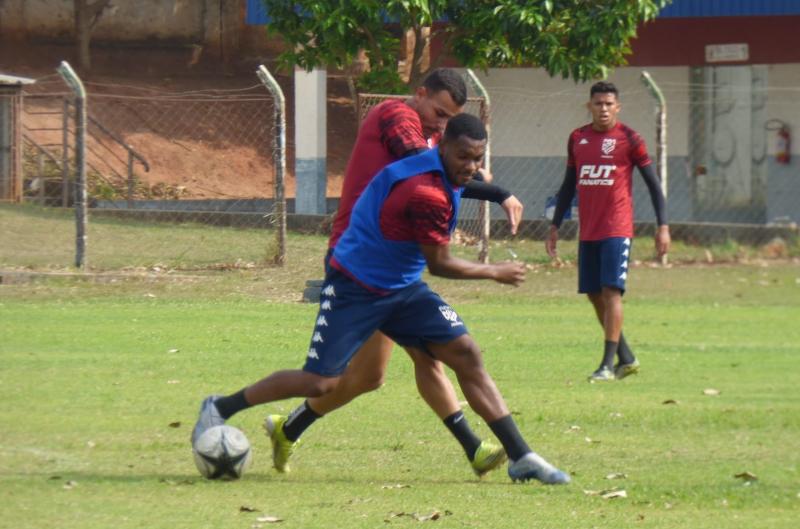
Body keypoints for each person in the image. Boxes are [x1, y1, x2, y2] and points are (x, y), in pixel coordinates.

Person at [193, 113, 570, 485]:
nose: (471, 167)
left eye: (477, 158)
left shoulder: (432, 165)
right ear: (443, 148)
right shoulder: (425, 194)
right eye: (464, 157)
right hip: (355, 286)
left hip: (401, 289)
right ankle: (220, 406)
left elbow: (462, 185)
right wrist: (494, 270)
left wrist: (499, 193)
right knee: (320, 382)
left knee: (464, 353)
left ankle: (521, 456)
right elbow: (439, 265)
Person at [266, 68, 524, 477]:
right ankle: (474, 448)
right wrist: (496, 191)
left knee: (376, 374)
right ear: (419, 94)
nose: (441, 125)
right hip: (358, 257)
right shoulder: (395, 116)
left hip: (392, 261)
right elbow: (422, 169)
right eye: (438, 113)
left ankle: (290, 427)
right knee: (406, 361)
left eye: (448, 119)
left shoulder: (431, 135)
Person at [546, 81, 671, 382]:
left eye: (608, 104)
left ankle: (606, 366)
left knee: (611, 291)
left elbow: (654, 185)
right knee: (592, 293)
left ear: (618, 107)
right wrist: (555, 225)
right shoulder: (577, 138)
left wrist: (663, 226)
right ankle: (625, 356)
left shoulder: (630, 139)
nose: (603, 109)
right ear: (589, 106)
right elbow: (568, 185)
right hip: (588, 230)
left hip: (617, 228)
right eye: (598, 103)